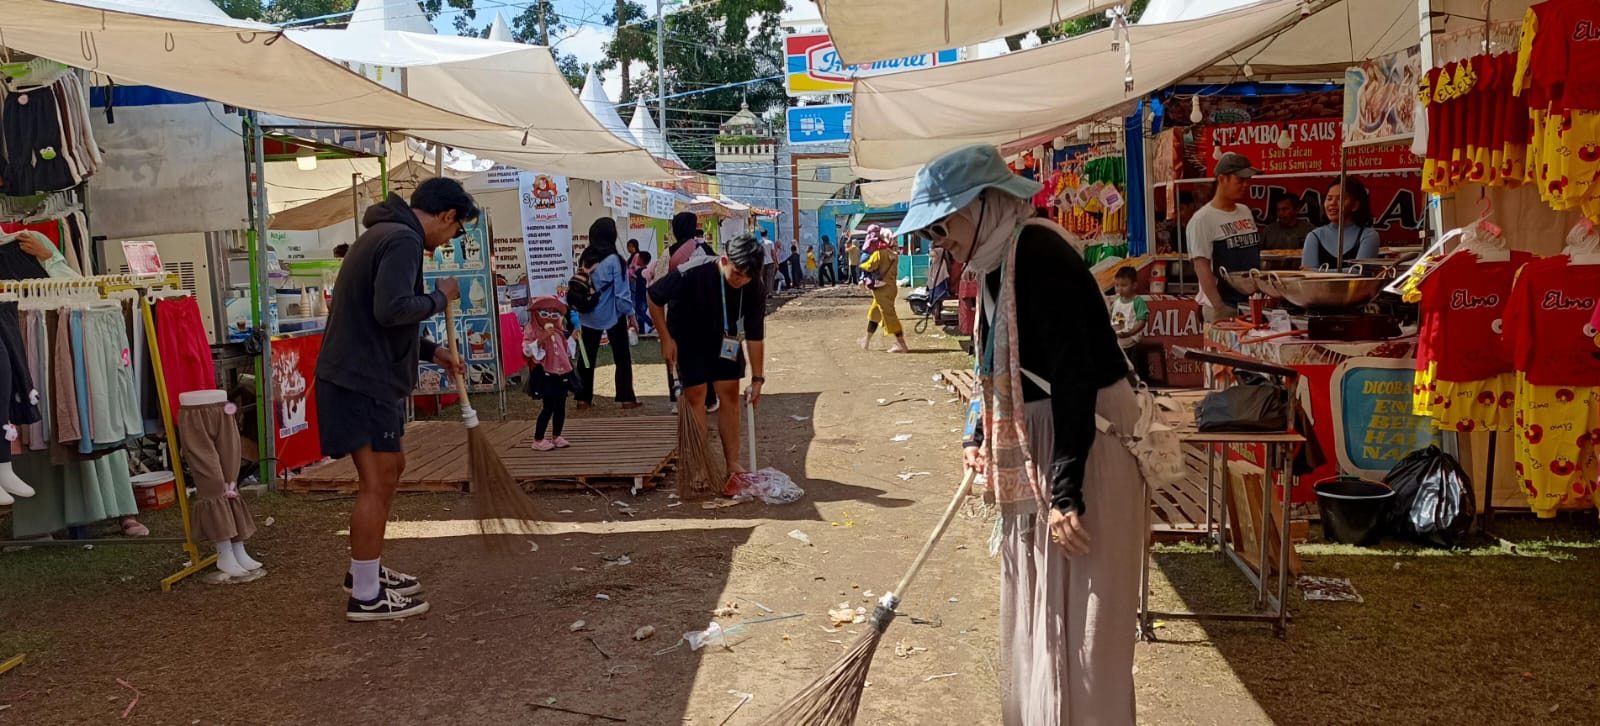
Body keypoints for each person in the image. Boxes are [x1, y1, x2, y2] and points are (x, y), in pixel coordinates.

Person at [902, 144, 1142, 725]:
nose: (940, 240)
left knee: (1084, 628)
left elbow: (1074, 377)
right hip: (1041, 446)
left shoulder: (1039, 254)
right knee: (1040, 611)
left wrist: (1065, 494)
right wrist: (978, 434)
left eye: (944, 222)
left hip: (1083, 449)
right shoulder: (994, 266)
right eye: (933, 229)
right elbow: (996, 367)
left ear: (986, 204)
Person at [316, 177, 474, 621]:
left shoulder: (386, 233)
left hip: (363, 376)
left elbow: (381, 314)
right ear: (446, 216)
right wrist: (439, 296)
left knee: (392, 468)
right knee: (379, 477)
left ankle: (365, 571)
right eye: (456, 231)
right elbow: (392, 310)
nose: (448, 241)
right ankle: (366, 595)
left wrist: (431, 351)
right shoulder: (402, 239)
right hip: (362, 380)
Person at [4, 230, 149, 539]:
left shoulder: (27, 243)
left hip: (61, 329)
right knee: (39, 427)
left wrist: (49, 256)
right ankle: (46, 521)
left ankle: (120, 510)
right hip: (21, 340)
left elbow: (79, 287)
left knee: (86, 412)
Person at [647, 234, 768, 479]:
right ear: (724, 260)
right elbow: (653, 296)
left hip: (726, 340)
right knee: (696, 396)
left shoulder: (754, 284)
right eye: (736, 274)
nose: (741, 281)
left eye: (747, 276)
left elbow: (756, 334)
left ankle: (732, 463)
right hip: (688, 338)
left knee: (730, 395)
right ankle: (699, 465)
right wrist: (666, 338)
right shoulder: (692, 271)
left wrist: (757, 379)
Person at [656, 213, 720, 413]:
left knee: (675, 357)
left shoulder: (668, 253)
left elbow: (659, 284)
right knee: (705, 356)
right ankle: (709, 399)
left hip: (678, 315)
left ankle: (678, 399)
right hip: (705, 315)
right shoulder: (707, 250)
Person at [1187, 153, 1263, 322]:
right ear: (1222, 179)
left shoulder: (1245, 211)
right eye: (1240, 180)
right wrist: (1219, 307)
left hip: (1250, 303)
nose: (1245, 185)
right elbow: (1202, 267)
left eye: (1248, 180)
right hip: (1224, 305)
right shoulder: (1202, 219)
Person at [574, 218, 640, 410]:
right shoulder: (615, 260)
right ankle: (627, 398)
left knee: (586, 357)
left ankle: (583, 398)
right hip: (613, 315)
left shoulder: (585, 258)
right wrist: (631, 314)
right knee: (621, 356)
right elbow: (621, 293)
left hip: (588, 314)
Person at [523, 296, 578, 451]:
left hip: (561, 373)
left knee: (561, 405)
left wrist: (573, 337)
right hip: (545, 374)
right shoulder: (533, 332)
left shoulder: (559, 333)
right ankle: (538, 438)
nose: (549, 318)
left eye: (554, 315)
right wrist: (541, 339)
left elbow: (565, 350)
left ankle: (557, 435)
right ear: (536, 315)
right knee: (549, 406)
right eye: (544, 314)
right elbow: (528, 351)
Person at [1302, 178, 1382, 270]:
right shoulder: (1314, 236)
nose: (1332, 203)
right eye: (1329, 198)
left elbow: (1360, 271)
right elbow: (1307, 274)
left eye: (1340, 199)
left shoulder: (1368, 235)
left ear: (1355, 205)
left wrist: (1316, 271)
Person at [859, 226, 910, 353]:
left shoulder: (878, 253)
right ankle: (866, 341)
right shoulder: (893, 254)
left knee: (890, 316)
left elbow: (870, 266)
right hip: (891, 288)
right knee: (875, 313)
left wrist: (861, 265)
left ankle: (901, 344)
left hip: (881, 289)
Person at [1110, 266, 1150, 382]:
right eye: (1117, 286)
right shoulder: (1116, 302)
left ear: (1134, 285)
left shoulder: (1138, 301)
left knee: (1134, 361)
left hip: (1132, 339)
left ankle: (1136, 382)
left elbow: (1142, 321)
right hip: (1118, 338)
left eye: (1124, 285)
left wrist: (1130, 333)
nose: (1120, 289)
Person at [626, 239, 654, 335]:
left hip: (639, 295)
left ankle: (651, 323)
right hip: (644, 295)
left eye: (631, 246)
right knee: (639, 313)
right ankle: (641, 331)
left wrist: (628, 274)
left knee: (639, 311)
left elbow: (632, 277)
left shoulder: (640, 270)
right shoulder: (646, 269)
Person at [759, 230, 779, 296]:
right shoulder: (770, 242)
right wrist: (776, 263)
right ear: (766, 234)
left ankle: (765, 292)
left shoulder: (759, 243)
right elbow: (773, 254)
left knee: (763, 278)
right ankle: (770, 292)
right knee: (770, 278)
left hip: (762, 263)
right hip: (770, 262)